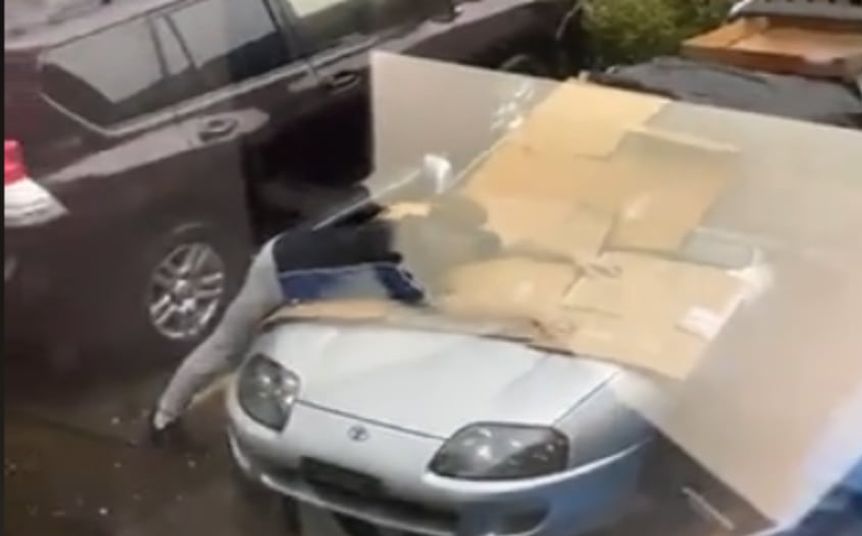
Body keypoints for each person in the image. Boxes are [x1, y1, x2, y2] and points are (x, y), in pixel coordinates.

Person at [150, 174, 612, 439]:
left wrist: (573, 258)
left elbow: (511, 244)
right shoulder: (395, 252)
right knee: (225, 350)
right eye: (450, 231)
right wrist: (526, 319)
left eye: (462, 235)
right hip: (280, 269)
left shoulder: (458, 241)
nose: (459, 242)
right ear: (434, 225)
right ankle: (163, 418)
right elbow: (432, 309)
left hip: (306, 261)